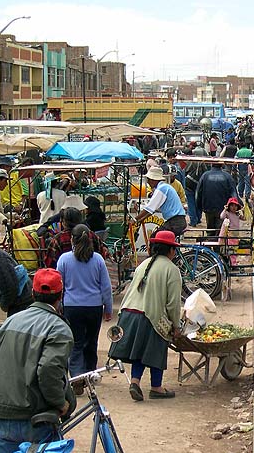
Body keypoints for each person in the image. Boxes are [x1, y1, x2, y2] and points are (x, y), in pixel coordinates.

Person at [0, 268, 74, 453]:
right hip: (35, 416)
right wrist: (61, 403)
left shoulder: (12, 321)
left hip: (4, 414)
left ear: (33, 293)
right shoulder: (58, 328)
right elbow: (49, 373)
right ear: (60, 296)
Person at [109, 231, 182, 401]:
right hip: (150, 315)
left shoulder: (144, 264)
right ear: (171, 250)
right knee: (156, 350)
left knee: (139, 350)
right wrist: (176, 326)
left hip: (129, 313)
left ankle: (135, 381)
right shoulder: (172, 270)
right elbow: (173, 304)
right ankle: (156, 387)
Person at [57, 224, 113, 378]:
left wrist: (58, 306)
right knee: (91, 342)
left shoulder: (64, 259)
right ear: (90, 239)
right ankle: (90, 374)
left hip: (71, 308)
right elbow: (106, 288)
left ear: (71, 240)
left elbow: (58, 285)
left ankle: (76, 376)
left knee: (75, 344)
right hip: (94, 307)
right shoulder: (98, 259)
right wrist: (108, 308)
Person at [135, 166, 188, 238]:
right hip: (177, 221)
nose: (148, 182)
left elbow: (149, 208)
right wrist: (141, 219)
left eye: (149, 180)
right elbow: (153, 210)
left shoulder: (162, 189)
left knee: (155, 237)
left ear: (153, 180)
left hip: (175, 222)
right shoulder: (164, 187)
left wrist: (135, 219)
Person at [196, 161, 238, 237]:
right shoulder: (227, 176)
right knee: (220, 230)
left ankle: (210, 243)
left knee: (210, 228)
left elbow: (199, 192)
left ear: (211, 164)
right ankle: (217, 247)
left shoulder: (205, 175)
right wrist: (235, 207)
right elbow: (233, 192)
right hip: (223, 208)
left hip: (208, 207)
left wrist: (199, 206)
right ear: (221, 165)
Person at [183, 149, 208, 226]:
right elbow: (205, 172)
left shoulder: (188, 161)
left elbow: (184, 171)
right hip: (199, 185)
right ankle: (198, 218)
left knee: (191, 202)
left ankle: (193, 220)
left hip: (189, 183)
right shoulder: (202, 162)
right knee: (198, 202)